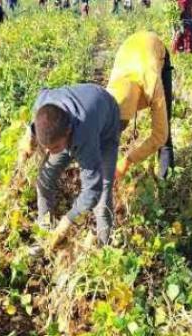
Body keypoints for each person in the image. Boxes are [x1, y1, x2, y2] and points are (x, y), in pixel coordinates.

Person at [18, 84, 121, 251]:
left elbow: (92, 190)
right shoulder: (44, 103)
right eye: (47, 148)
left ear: (68, 132)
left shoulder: (85, 137)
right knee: (45, 179)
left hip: (105, 126)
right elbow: (42, 95)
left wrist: (67, 221)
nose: (50, 152)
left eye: (56, 148)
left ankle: (104, 249)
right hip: (73, 119)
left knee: (103, 192)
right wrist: (30, 134)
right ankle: (45, 230)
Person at [106, 31, 175, 180]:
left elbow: (160, 135)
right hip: (129, 49)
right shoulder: (111, 92)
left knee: (165, 132)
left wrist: (127, 160)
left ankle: (165, 180)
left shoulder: (152, 82)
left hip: (153, 49)